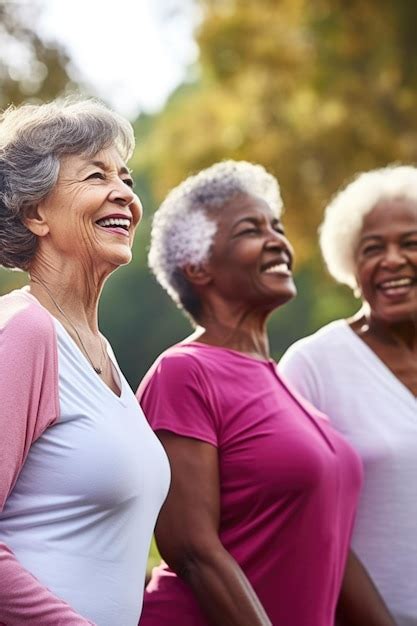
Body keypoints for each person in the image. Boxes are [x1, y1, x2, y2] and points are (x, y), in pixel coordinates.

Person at [135, 160, 365, 626]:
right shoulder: (184, 372)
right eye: (250, 230)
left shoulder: (283, 383)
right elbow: (192, 551)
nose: (277, 240)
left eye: (276, 227)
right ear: (198, 266)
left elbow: (331, 543)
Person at [0, 98, 170, 626]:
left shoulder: (101, 351)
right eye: (96, 176)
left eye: (126, 177)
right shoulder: (22, 333)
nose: (123, 193)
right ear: (34, 213)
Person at [279, 165, 417, 626]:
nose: (393, 259)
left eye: (410, 243)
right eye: (373, 248)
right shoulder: (312, 365)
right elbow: (295, 518)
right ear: (350, 265)